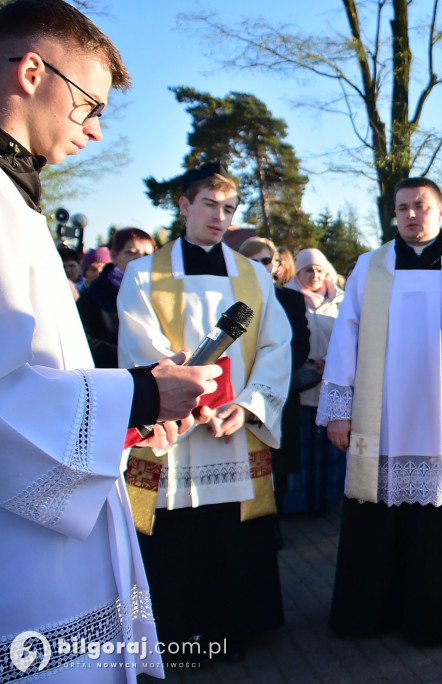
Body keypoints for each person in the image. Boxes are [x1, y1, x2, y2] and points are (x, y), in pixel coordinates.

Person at [0, 1, 221, 679]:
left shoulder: (19, 205)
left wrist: (128, 421)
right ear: (33, 72)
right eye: (89, 105)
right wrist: (136, 396)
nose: (95, 131)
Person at [318, 176, 442, 646]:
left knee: (441, 520)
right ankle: (373, 613)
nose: (410, 215)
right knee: (379, 516)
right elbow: (346, 338)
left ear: (439, 213)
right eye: (402, 208)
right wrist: (339, 410)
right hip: (381, 421)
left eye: (421, 206)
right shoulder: (370, 266)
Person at [118, 162, 293, 661]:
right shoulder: (144, 272)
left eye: (230, 209)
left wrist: (249, 405)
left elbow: (277, 345)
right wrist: (186, 406)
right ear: (185, 206)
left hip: (234, 427)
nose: (221, 217)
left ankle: (235, 625)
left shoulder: (254, 275)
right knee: (175, 533)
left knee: (229, 532)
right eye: (211, 205)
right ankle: (171, 629)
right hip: (174, 429)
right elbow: (140, 344)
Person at [237, 236, 311, 512]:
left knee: (277, 463)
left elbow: (301, 345)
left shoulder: (291, 300)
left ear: (277, 265)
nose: (259, 265)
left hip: (279, 392)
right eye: (251, 261)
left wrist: (271, 374)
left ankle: (275, 523)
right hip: (239, 393)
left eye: (265, 260)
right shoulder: (233, 298)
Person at [281, 247, 346, 514]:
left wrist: (334, 361)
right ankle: (300, 504)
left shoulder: (342, 300)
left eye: (319, 269)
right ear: (298, 272)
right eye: (308, 269)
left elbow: (350, 336)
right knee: (304, 445)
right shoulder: (288, 298)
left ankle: (327, 501)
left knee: (328, 446)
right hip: (302, 385)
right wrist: (307, 363)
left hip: (332, 382)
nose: (315, 274)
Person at [77, 227, 156, 368]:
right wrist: (129, 357)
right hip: (113, 379)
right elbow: (83, 341)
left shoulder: (160, 295)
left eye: (147, 255)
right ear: (114, 256)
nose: (139, 259)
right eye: (131, 253)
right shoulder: (92, 295)